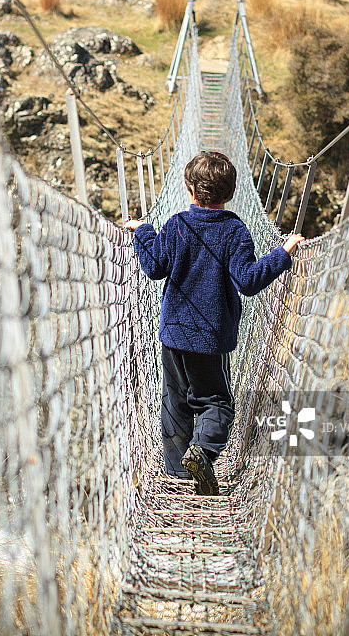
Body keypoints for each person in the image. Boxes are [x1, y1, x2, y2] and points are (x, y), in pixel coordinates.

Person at [124, 151, 304, 495]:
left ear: (190, 190)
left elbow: (154, 266)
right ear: (232, 192)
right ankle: (203, 453)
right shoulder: (235, 230)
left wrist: (144, 231)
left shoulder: (177, 224)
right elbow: (248, 281)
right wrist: (282, 254)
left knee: (175, 400)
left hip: (173, 333)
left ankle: (177, 473)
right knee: (216, 402)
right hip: (210, 338)